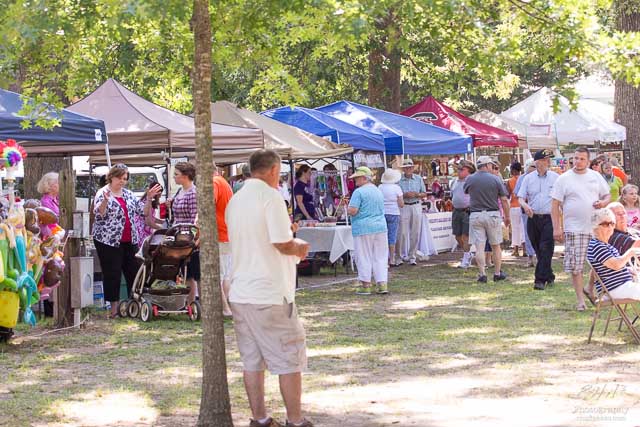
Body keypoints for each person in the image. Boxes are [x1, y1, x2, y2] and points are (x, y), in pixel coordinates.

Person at [226, 149, 312, 427]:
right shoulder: (271, 197)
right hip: (269, 292)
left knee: (252, 360)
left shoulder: (235, 199)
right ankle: (295, 421)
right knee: (289, 358)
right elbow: (280, 242)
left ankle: (259, 418)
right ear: (274, 170)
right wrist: (299, 246)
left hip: (241, 290)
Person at [551, 147, 611, 311]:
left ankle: (589, 288)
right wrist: (557, 227)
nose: (578, 161)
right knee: (576, 266)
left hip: (595, 227)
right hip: (574, 228)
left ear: (589, 161)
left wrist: (603, 203)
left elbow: (607, 195)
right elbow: (555, 204)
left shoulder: (595, 176)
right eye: (575, 158)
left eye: (582, 159)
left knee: (599, 262)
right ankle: (580, 301)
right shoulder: (564, 179)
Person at [93, 164, 155, 319]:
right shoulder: (103, 193)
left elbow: (143, 212)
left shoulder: (128, 194)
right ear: (111, 177)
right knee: (112, 273)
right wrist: (105, 201)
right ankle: (113, 309)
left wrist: (149, 199)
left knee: (133, 271)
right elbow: (99, 214)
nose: (122, 181)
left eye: (125, 179)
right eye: (119, 178)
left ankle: (133, 305)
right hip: (108, 240)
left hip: (130, 239)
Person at [464, 156, 510, 283]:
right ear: (487, 165)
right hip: (492, 214)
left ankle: (482, 273)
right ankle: (497, 272)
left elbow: (466, 192)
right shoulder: (495, 179)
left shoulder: (470, 179)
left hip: (476, 214)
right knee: (496, 245)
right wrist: (507, 216)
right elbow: (504, 200)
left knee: (479, 246)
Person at [517, 149, 559, 290]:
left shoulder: (555, 177)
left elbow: (560, 199)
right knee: (538, 249)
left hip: (549, 218)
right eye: (545, 160)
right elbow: (520, 197)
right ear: (537, 162)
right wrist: (525, 205)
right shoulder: (528, 178)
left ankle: (539, 280)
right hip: (533, 218)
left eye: (548, 160)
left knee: (546, 248)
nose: (548, 162)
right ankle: (549, 275)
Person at [348, 166, 388, 295]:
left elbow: (353, 210)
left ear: (364, 178)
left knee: (364, 256)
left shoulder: (359, 192)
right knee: (380, 256)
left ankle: (366, 284)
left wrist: (348, 208)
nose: (355, 181)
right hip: (380, 226)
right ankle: (382, 284)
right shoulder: (378, 190)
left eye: (357, 178)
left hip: (363, 227)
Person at [586, 208, 640, 303]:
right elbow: (616, 265)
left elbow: (607, 268)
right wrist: (630, 252)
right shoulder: (597, 246)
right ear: (595, 226)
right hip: (616, 289)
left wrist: (627, 270)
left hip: (621, 286)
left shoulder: (604, 244)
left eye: (612, 224)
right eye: (606, 224)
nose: (610, 227)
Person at [168, 162, 199, 303]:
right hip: (177, 236)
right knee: (184, 272)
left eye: (176, 175)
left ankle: (192, 303)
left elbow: (195, 218)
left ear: (185, 176)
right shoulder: (180, 191)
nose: (174, 177)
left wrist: (194, 239)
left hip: (188, 239)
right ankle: (186, 302)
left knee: (191, 273)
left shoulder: (193, 193)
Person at [397, 158, 427, 265]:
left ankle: (412, 256)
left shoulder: (418, 179)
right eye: (406, 167)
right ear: (403, 169)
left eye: (410, 167)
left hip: (415, 204)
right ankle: (399, 257)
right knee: (402, 233)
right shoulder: (398, 180)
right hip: (404, 205)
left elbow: (424, 193)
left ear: (413, 168)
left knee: (416, 232)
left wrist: (417, 194)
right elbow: (395, 194)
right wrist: (405, 195)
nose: (408, 169)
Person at [214, 171, 234, 317]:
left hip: (219, 234)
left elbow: (209, 204)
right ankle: (226, 306)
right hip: (228, 233)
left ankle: (225, 308)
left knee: (218, 275)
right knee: (225, 275)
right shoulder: (224, 183)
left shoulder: (214, 182)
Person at [451, 160, 476, 268]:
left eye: (462, 169)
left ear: (469, 171)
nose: (459, 171)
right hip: (456, 210)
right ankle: (467, 254)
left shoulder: (471, 181)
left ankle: (466, 259)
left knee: (466, 236)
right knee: (457, 236)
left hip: (467, 210)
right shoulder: (454, 181)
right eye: (458, 169)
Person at [378, 168, 404, 267]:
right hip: (394, 213)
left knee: (382, 236)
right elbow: (401, 204)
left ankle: (384, 259)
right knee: (392, 236)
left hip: (382, 213)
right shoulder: (397, 188)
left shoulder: (380, 187)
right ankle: (392, 259)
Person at [514, 160, 538, 267]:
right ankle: (530, 256)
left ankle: (539, 256)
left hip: (540, 210)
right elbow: (517, 193)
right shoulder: (522, 178)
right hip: (526, 211)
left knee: (540, 234)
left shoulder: (542, 177)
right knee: (528, 234)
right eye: (533, 166)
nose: (535, 168)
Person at [506, 162, 524, 257]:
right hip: (523, 206)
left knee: (515, 229)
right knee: (523, 228)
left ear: (513, 170)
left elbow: (507, 194)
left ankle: (516, 250)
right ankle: (525, 250)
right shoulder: (524, 179)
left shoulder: (510, 181)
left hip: (514, 206)